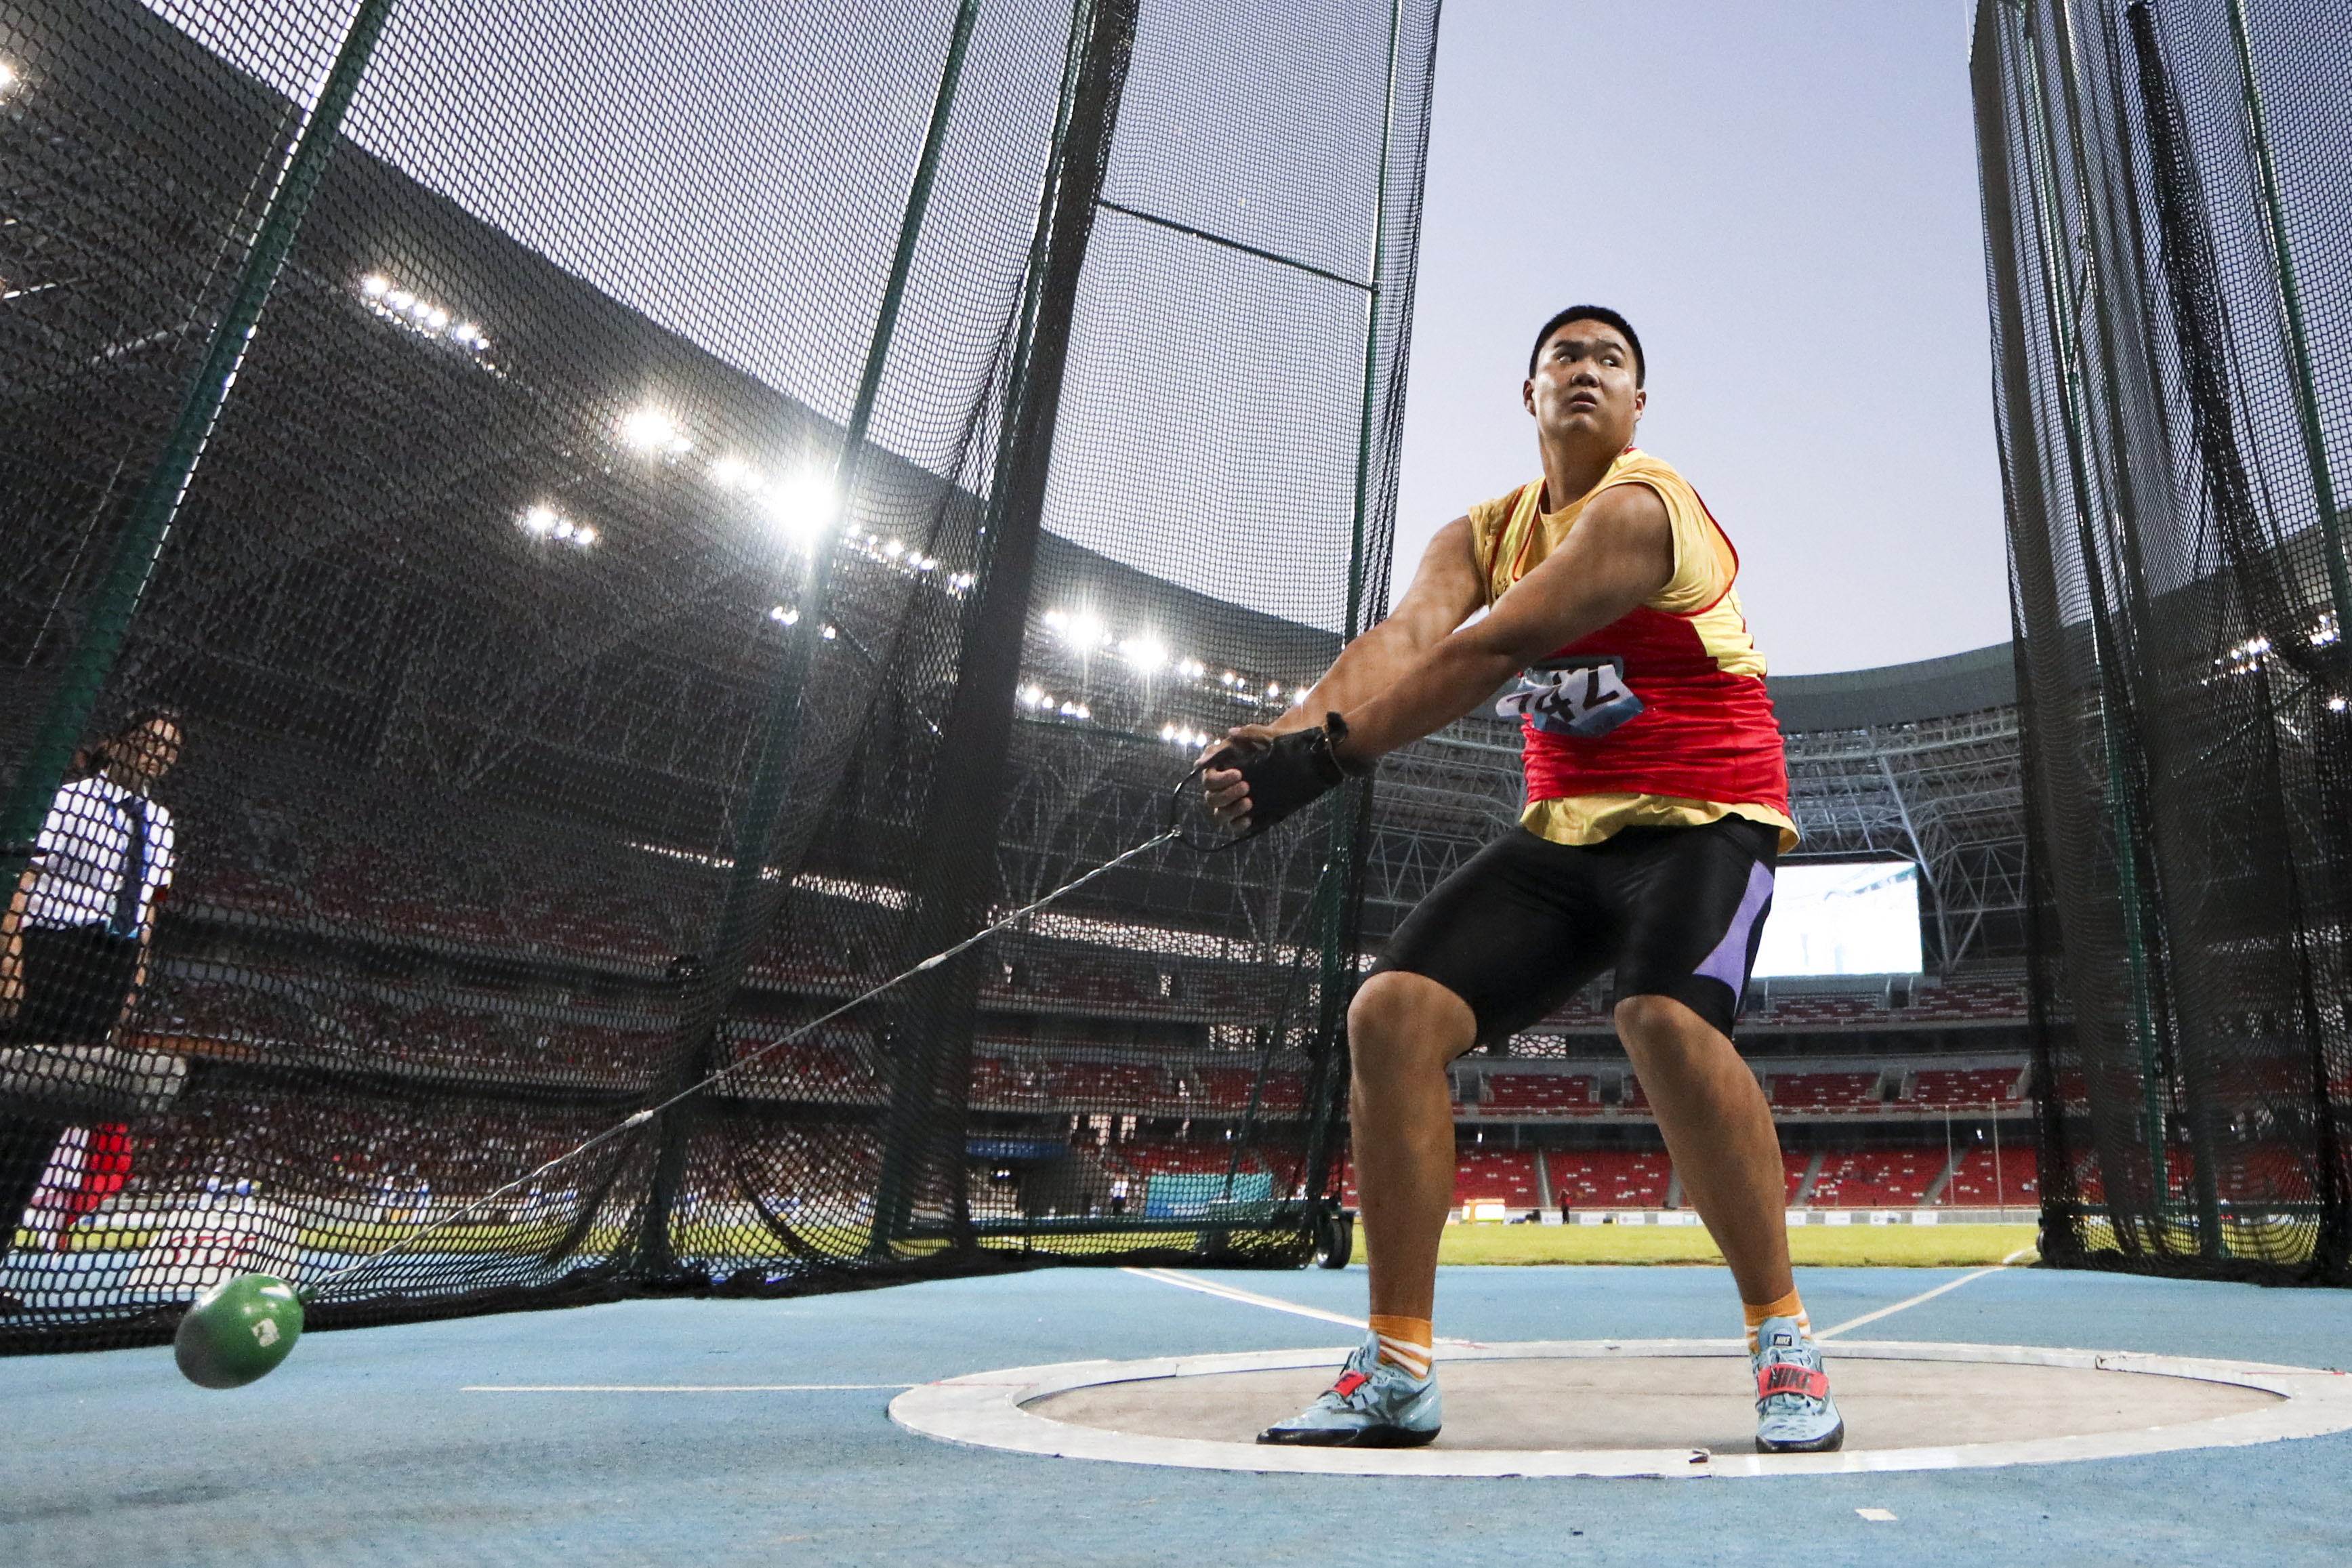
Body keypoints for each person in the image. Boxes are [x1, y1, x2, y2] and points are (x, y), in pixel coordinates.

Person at [1205, 308, 1840, 1453]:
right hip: (1564, 837)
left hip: (1705, 823)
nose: (1586, 370)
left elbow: (1494, 647)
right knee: (1390, 1012)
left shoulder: (1648, 507)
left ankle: (1783, 1336)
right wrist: (1287, 733)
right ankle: (1396, 1363)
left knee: (1660, 1016)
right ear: (1530, 393)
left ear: (1639, 403)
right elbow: (1408, 635)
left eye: (1611, 360)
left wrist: (1331, 756)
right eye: (1566, 356)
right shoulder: (1479, 531)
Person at [0, 707, 184, 1299]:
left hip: (111, 962)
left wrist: (133, 983)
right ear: (120, 742)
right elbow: (25, 879)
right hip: (51, 950)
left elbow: (150, 909)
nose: (159, 753)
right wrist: (9, 958)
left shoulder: (159, 821)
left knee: (44, 1120)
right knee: (9, 1102)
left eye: (169, 748)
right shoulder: (72, 799)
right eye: (151, 740)